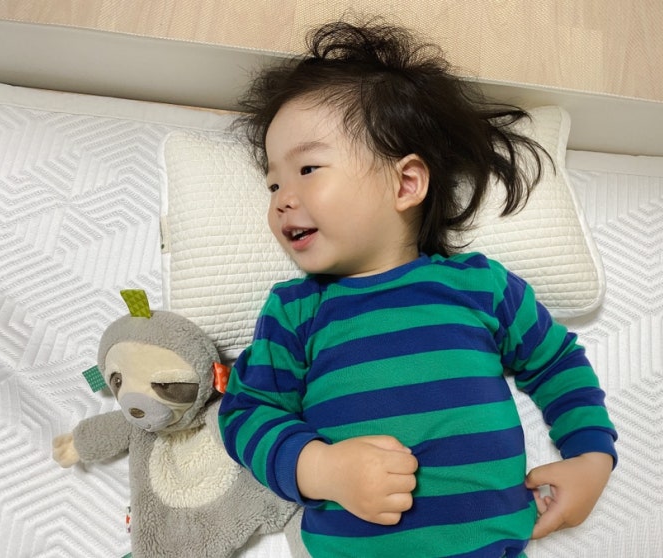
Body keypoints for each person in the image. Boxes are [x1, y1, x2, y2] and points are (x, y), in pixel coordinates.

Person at [219, 18, 617, 558]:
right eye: (273, 184)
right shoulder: (296, 311)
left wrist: (591, 456)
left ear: (406, 182)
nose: (282, 199)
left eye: (308, 168)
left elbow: (556, 361)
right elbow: (246, 412)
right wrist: (322, 468)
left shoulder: (480, 287)